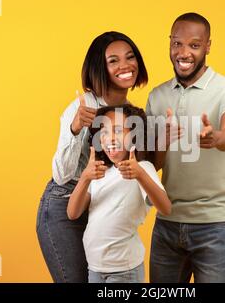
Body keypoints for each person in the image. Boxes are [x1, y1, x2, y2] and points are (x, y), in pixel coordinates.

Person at [36, 32, 148, 283]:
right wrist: (75, 128)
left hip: (101, 205)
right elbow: (62, 175)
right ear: (100, 68)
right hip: (65, 205)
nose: (125, 66)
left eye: (130, 58)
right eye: (113, 61)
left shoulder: (130, 113)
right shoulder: (83, 106)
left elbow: (138, 170)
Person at [146, 12, 225, 283]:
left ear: (208, 46)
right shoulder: (157, 96)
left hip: (216, 226)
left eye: (194, 45)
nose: (184, 52)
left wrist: (215, 137)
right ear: (169, 43)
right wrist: (162, 143)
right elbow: (151, 164)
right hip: (167, 223)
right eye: (177, 43)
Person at [67, 104, 171, 283]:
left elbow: (165, 208)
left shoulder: (143, 168)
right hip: (95, 268)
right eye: (104, 132)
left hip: (124, 270)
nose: (110, 138)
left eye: (117, 131)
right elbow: (73, 213)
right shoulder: (99, 172)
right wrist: (84, 178)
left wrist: (140, 175)